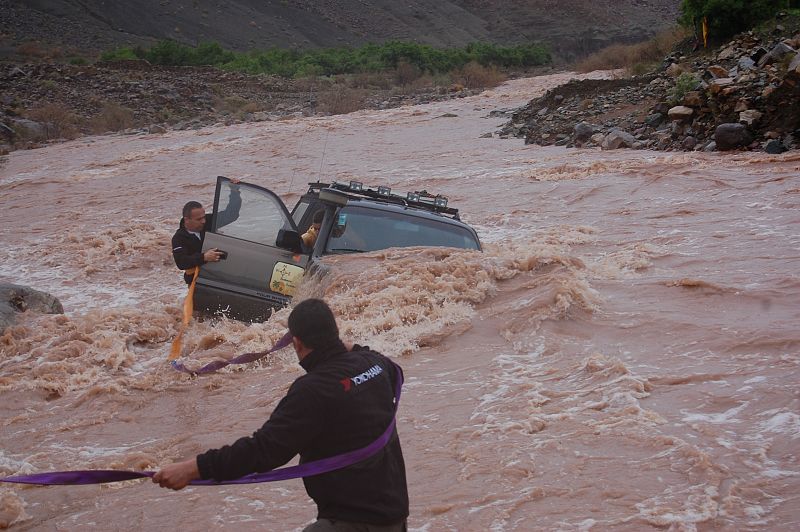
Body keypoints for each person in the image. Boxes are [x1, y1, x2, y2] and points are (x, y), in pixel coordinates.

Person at [153, 298, 409, 531]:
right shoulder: (375, 365)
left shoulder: (312, 391)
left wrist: (192, 469)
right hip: (395, 516)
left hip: (353, 522)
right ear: (335, 332)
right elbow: (380, 362)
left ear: (296, 343)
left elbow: (263, 451)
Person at [171, 179, 241, 285]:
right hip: (197, 281)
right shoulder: (178, 238)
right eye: (199, 219)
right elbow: (181, 262)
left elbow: (231, 214)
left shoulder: (208, 222)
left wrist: (235, 191)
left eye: (203, 217)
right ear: (186, 220)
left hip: (217, 275)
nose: (203, 221)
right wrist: (204, 257)